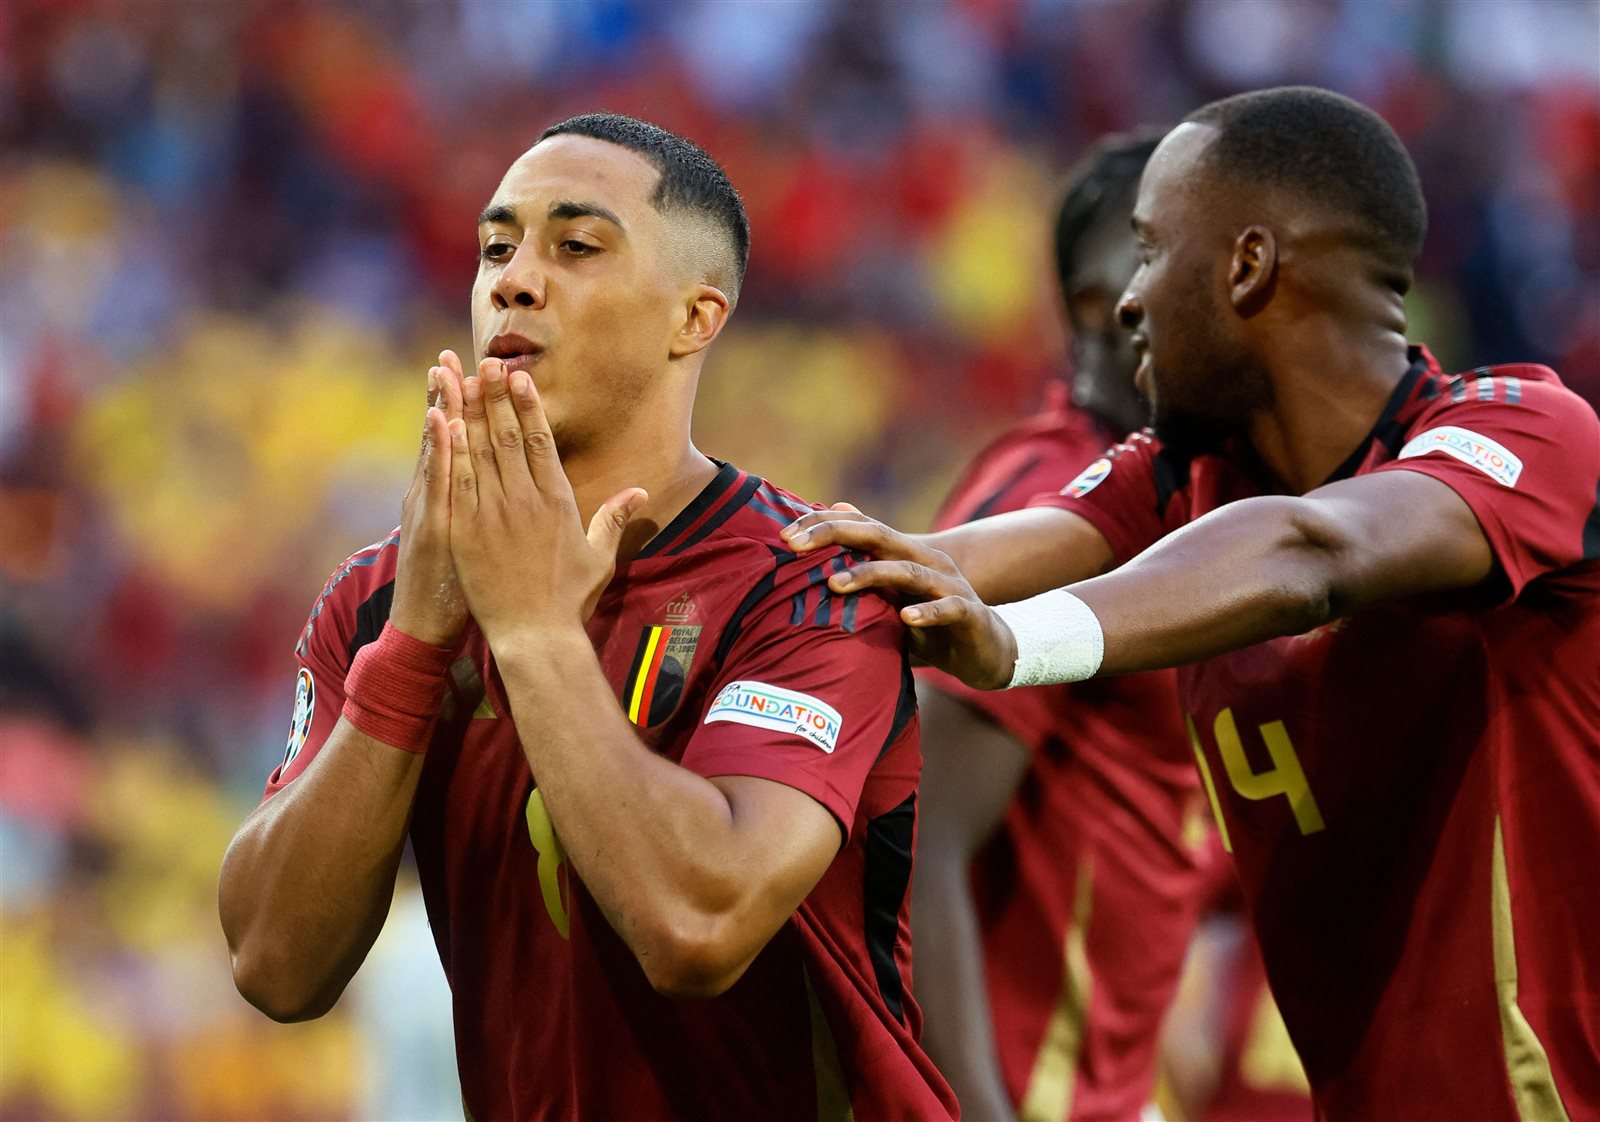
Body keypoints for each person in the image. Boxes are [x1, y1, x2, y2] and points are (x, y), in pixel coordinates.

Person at [783, 86, 1600, 1121]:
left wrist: (1012, 643)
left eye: (1151, 249)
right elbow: (961, 559)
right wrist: (746, 565)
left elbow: (1315, 552)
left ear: (1247, 265)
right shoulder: (1180, 477)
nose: (1128, 300)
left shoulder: (1525, 433)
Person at [218, 113, 957, 1122]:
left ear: (694, 318)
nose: (514, 281)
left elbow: (699, 925)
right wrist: (416, 648)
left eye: (575, 247)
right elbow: (274, 966)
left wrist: (532, 634)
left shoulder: (808, 586)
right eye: (496, 249)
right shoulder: (386, 598)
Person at [912, 131, 1217, 1122]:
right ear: (1100, 306)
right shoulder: (1049, 504)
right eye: (1168, 253)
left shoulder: (1178, 500)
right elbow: (914, 829)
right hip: (1018, 1094)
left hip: (1103, 1090)